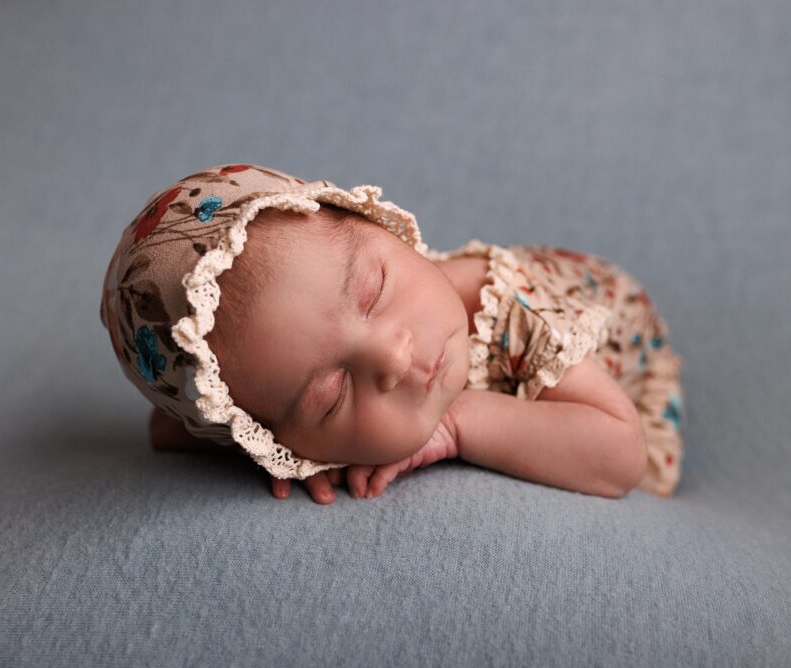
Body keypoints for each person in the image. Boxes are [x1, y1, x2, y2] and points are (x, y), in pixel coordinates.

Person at [101, 163, 685, 504]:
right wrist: (283, 457)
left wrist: (458, 424)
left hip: (624, 345)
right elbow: (169, 429)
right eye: (329, 396)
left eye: (375, 291)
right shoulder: (251, 407)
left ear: (389, 234)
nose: (391, 355)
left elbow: (620, 457)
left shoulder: (517, 313)